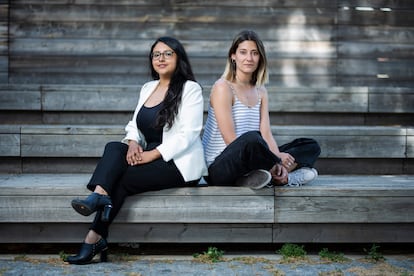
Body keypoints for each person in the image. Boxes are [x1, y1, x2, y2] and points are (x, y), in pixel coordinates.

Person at [66, 36, 207, 264]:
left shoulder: (190, 89)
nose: (161, 58)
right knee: (114, 147)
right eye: (156, 54)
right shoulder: (148, 87)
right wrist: (132, 142)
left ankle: (93, 237)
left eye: (168, 53)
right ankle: (99, 198)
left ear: (178, 58)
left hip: (177, 164)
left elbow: (189, 134)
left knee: (120, 179)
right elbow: (135, 125)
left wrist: (152, 154)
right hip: (147, 155)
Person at [202, 30, 320, 189]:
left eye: (254, 53)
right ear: (233, 56)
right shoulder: (223, 87)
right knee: (252, 139)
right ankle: (279, 175)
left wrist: (277, 155)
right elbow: (230, 139)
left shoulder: (261, 91)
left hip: (255, 157)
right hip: (219, 167)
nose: (249, 58)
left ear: (260, 58)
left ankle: (271, 177)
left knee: (309, 145)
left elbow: (266, 133)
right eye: (243, 52)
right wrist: (275, 160)